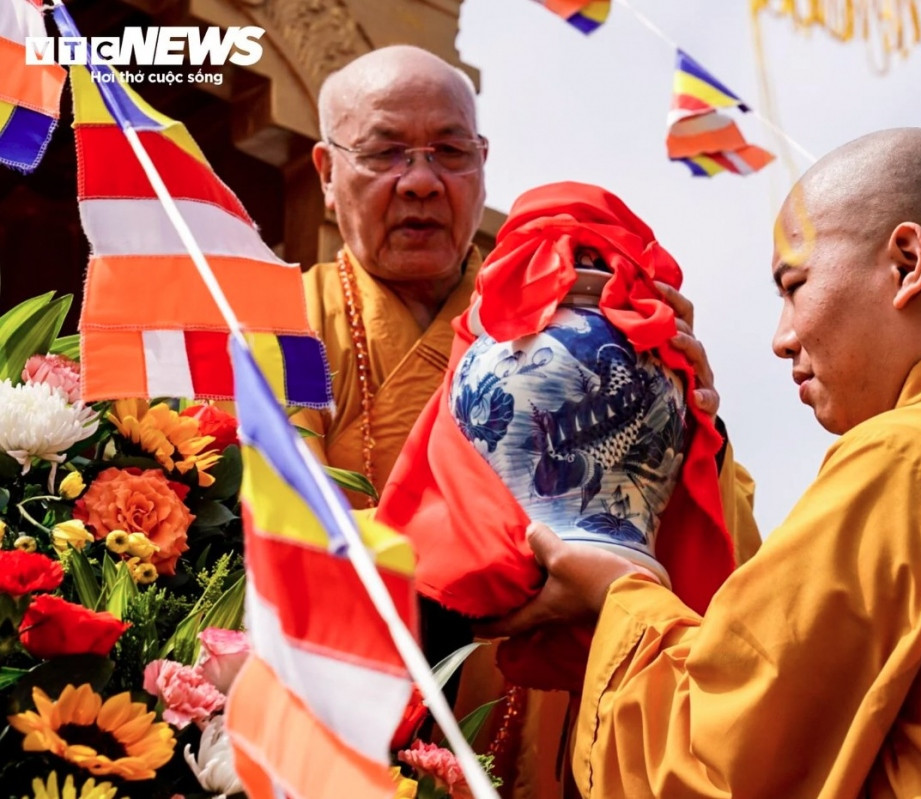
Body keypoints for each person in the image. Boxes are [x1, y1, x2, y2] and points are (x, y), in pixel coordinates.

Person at [487, 128, 921, 797]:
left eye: (794, 286)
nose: (781, 337)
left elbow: (721, 757)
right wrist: (701, 445)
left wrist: (621, 593)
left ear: (907, 264)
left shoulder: (919, 456)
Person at [293, 45, 761, 797]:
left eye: (450, 151)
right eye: (385, 152)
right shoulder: (281, 322)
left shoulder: (558, 324)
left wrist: (690, 424)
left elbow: (725, 561)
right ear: (324, 172)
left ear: (483, 164)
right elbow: (281, 533)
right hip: (343, 728)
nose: (421, 180)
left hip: (545, 733)